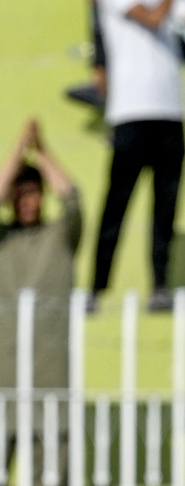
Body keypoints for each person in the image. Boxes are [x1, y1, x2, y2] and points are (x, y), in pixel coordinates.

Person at [90, 0, 185, 311]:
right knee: (117, 204)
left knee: (166, 208)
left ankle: (159, 286)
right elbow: (154, 19)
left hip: (172, 112)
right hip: (130, 112)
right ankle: (96, 287)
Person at [0, 119, 81, 484]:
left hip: (51, 385)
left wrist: (42, 150)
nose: (28, 200)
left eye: (34, 192)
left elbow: (74, 200)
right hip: (3, 384)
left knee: (50, 477)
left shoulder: (59, 237)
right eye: (21, 192)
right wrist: (19, 150)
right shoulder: (4, 241)